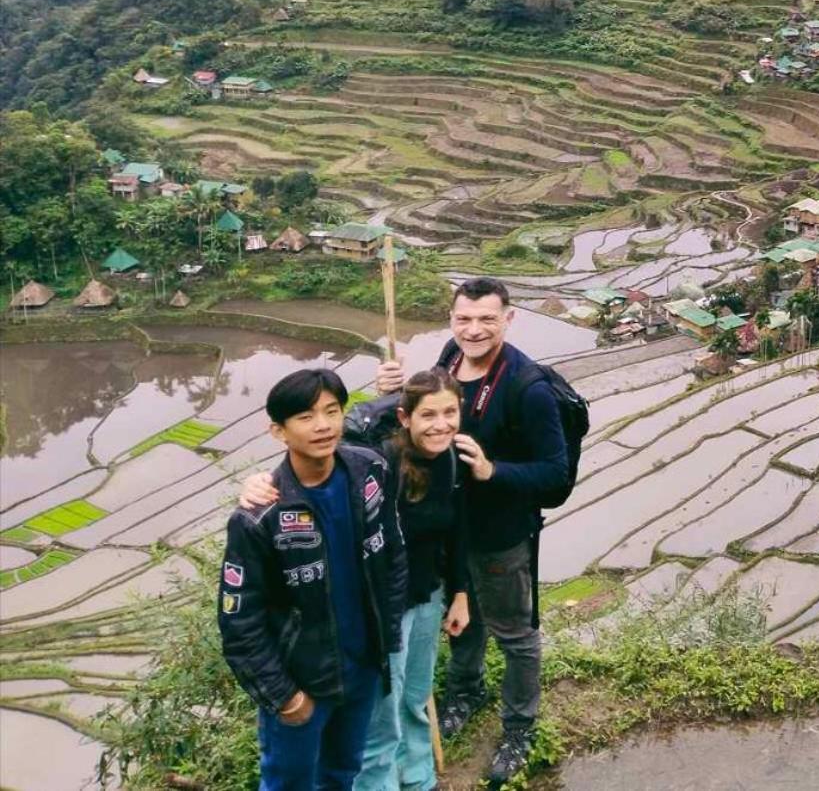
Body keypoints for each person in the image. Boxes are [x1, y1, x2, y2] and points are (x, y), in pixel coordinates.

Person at [372, 278, 566, 786]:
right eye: (464, 319)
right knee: (463, 613)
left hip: (500, 532)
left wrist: (492, 471)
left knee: (514, 632)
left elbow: (556, 473)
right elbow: (415, 418)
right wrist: (395, 388)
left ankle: (519, 727)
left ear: (508, 318)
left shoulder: (529, 388)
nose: (474, 330)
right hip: (445, 527)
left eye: (486, 319)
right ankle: (466, 691)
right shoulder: (447, 362)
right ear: (451, 319)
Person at [241, 369, 473, 791]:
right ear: (405, 418)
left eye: (450, 412)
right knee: (372, 734)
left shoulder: (439, 460)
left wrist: (459, 592)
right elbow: (241, 624)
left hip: (413, 605)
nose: (440, 424)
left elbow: (441, 535)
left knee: (411, 704)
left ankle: (419, 781)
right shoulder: (378, 464)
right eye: (427, 415)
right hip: (370, 623)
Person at [219, 368, 406, 791]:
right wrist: (284, 697)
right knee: (290, 785)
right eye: (305, 417)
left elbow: (392, 553)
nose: (323, 426)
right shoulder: (260, 516)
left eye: (332, 411)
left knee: (342, 775)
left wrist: (387, 638)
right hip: (303, 684)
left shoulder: (370, 471)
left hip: (361, 671)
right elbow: (238, 621)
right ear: (278, 432)